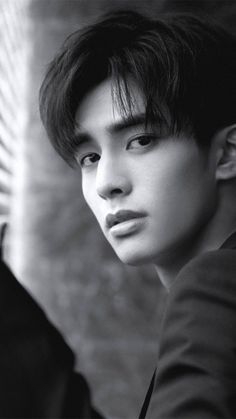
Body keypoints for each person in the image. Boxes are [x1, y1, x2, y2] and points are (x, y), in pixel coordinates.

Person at [0, 9, 236, 418]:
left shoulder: (216, 283)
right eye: (89, 156)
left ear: (227, 153)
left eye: (141, 140)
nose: (106, 182)